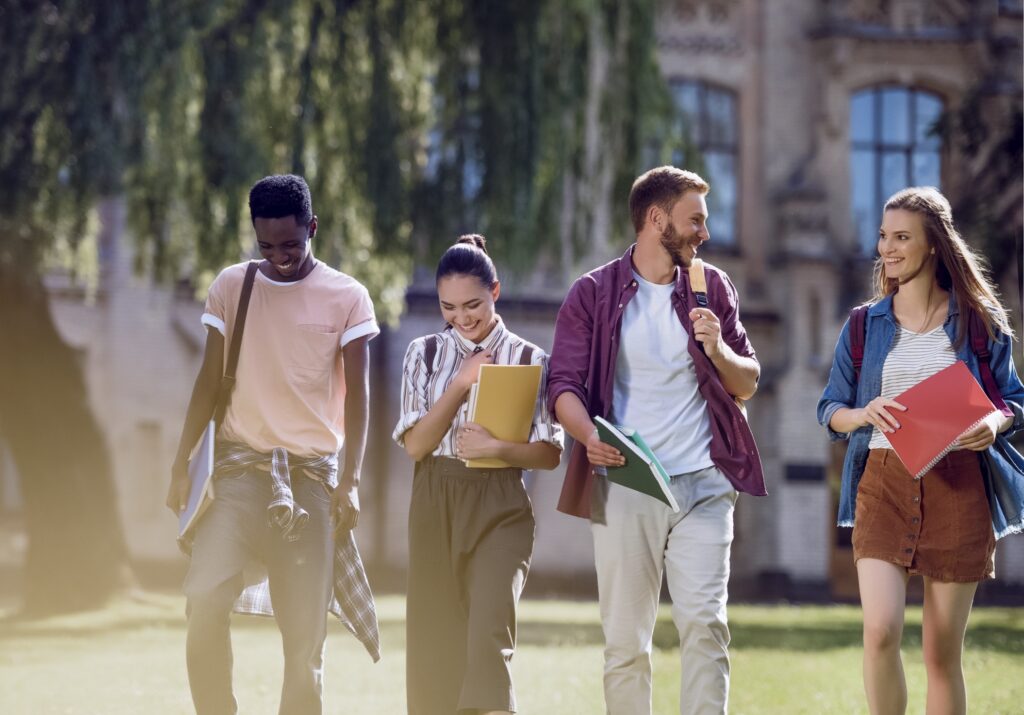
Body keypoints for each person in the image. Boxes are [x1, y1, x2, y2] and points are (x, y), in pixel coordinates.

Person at [547, 166, 765, 715]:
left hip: (705, 483)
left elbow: (749, 381)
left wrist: (718, 349)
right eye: (695, 221)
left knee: (705, 624)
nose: (704, 234)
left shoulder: (712, 288)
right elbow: (563, 385)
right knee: (626, 642)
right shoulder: (593, 294)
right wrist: (588, 435)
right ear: (655, 219)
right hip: (629, 480)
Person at [167, 174, 380, 715]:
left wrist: (350, 483)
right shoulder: (232, 286)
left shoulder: (347, 297)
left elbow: (358, 399)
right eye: (266, 246)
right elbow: (208, 381)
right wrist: (180, 460)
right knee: (203, 599)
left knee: (304, 642)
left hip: (309, 484)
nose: (279, 256)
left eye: (291, 244)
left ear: (312, 227)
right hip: (237, 476)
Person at [817, 186, 1024, 715]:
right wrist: (863, 413)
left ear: (934, 245)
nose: (887, 248)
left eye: (901, 237)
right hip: (883, 482)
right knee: (881, 630)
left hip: (959, 486)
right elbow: (829, 409)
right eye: (884, 236)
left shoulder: (979, 321)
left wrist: (994, 425)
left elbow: (1014, 401)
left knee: (940, 654)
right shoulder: (864, 325)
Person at [393, 234, 564, 715]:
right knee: (434, 652)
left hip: (500, 504)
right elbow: (417, 445)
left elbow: (550, 453)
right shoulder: (422, 354)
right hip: (434, 501)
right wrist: (461, 382)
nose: (462, 318)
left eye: (473, 304)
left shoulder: (531, 359)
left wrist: (498, 448)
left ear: (496, 291)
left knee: (488, 641)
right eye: (449, 307)